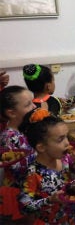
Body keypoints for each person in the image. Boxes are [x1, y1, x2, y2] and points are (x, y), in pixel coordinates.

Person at [18, 108, 75, 224]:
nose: (67, 143)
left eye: (66, 137)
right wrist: (49, 200)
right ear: (41, 147)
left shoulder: (64, 159)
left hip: (71, 216)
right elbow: (24, 206)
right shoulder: (33, 173)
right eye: (60, 139)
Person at [0, 85, 37, 223]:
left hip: (31, 188)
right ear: (12, 113)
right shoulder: (10, 137)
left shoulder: (24, 128)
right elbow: (19, 169)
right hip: (19, 194)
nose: (34, 107)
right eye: (28, 105)